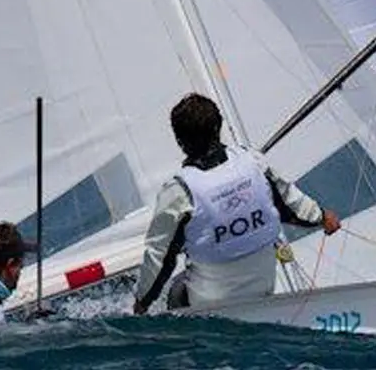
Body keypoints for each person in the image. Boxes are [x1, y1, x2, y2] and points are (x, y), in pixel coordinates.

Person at [132, 92, 340, 315]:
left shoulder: (178, 192)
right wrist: (322, 216)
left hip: (210, 308)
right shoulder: (252, 162)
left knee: (176, 289)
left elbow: (160, 257)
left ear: (179, 141)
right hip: (263, 291)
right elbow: (290, 203)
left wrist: (142, 301)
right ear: (218, 127)